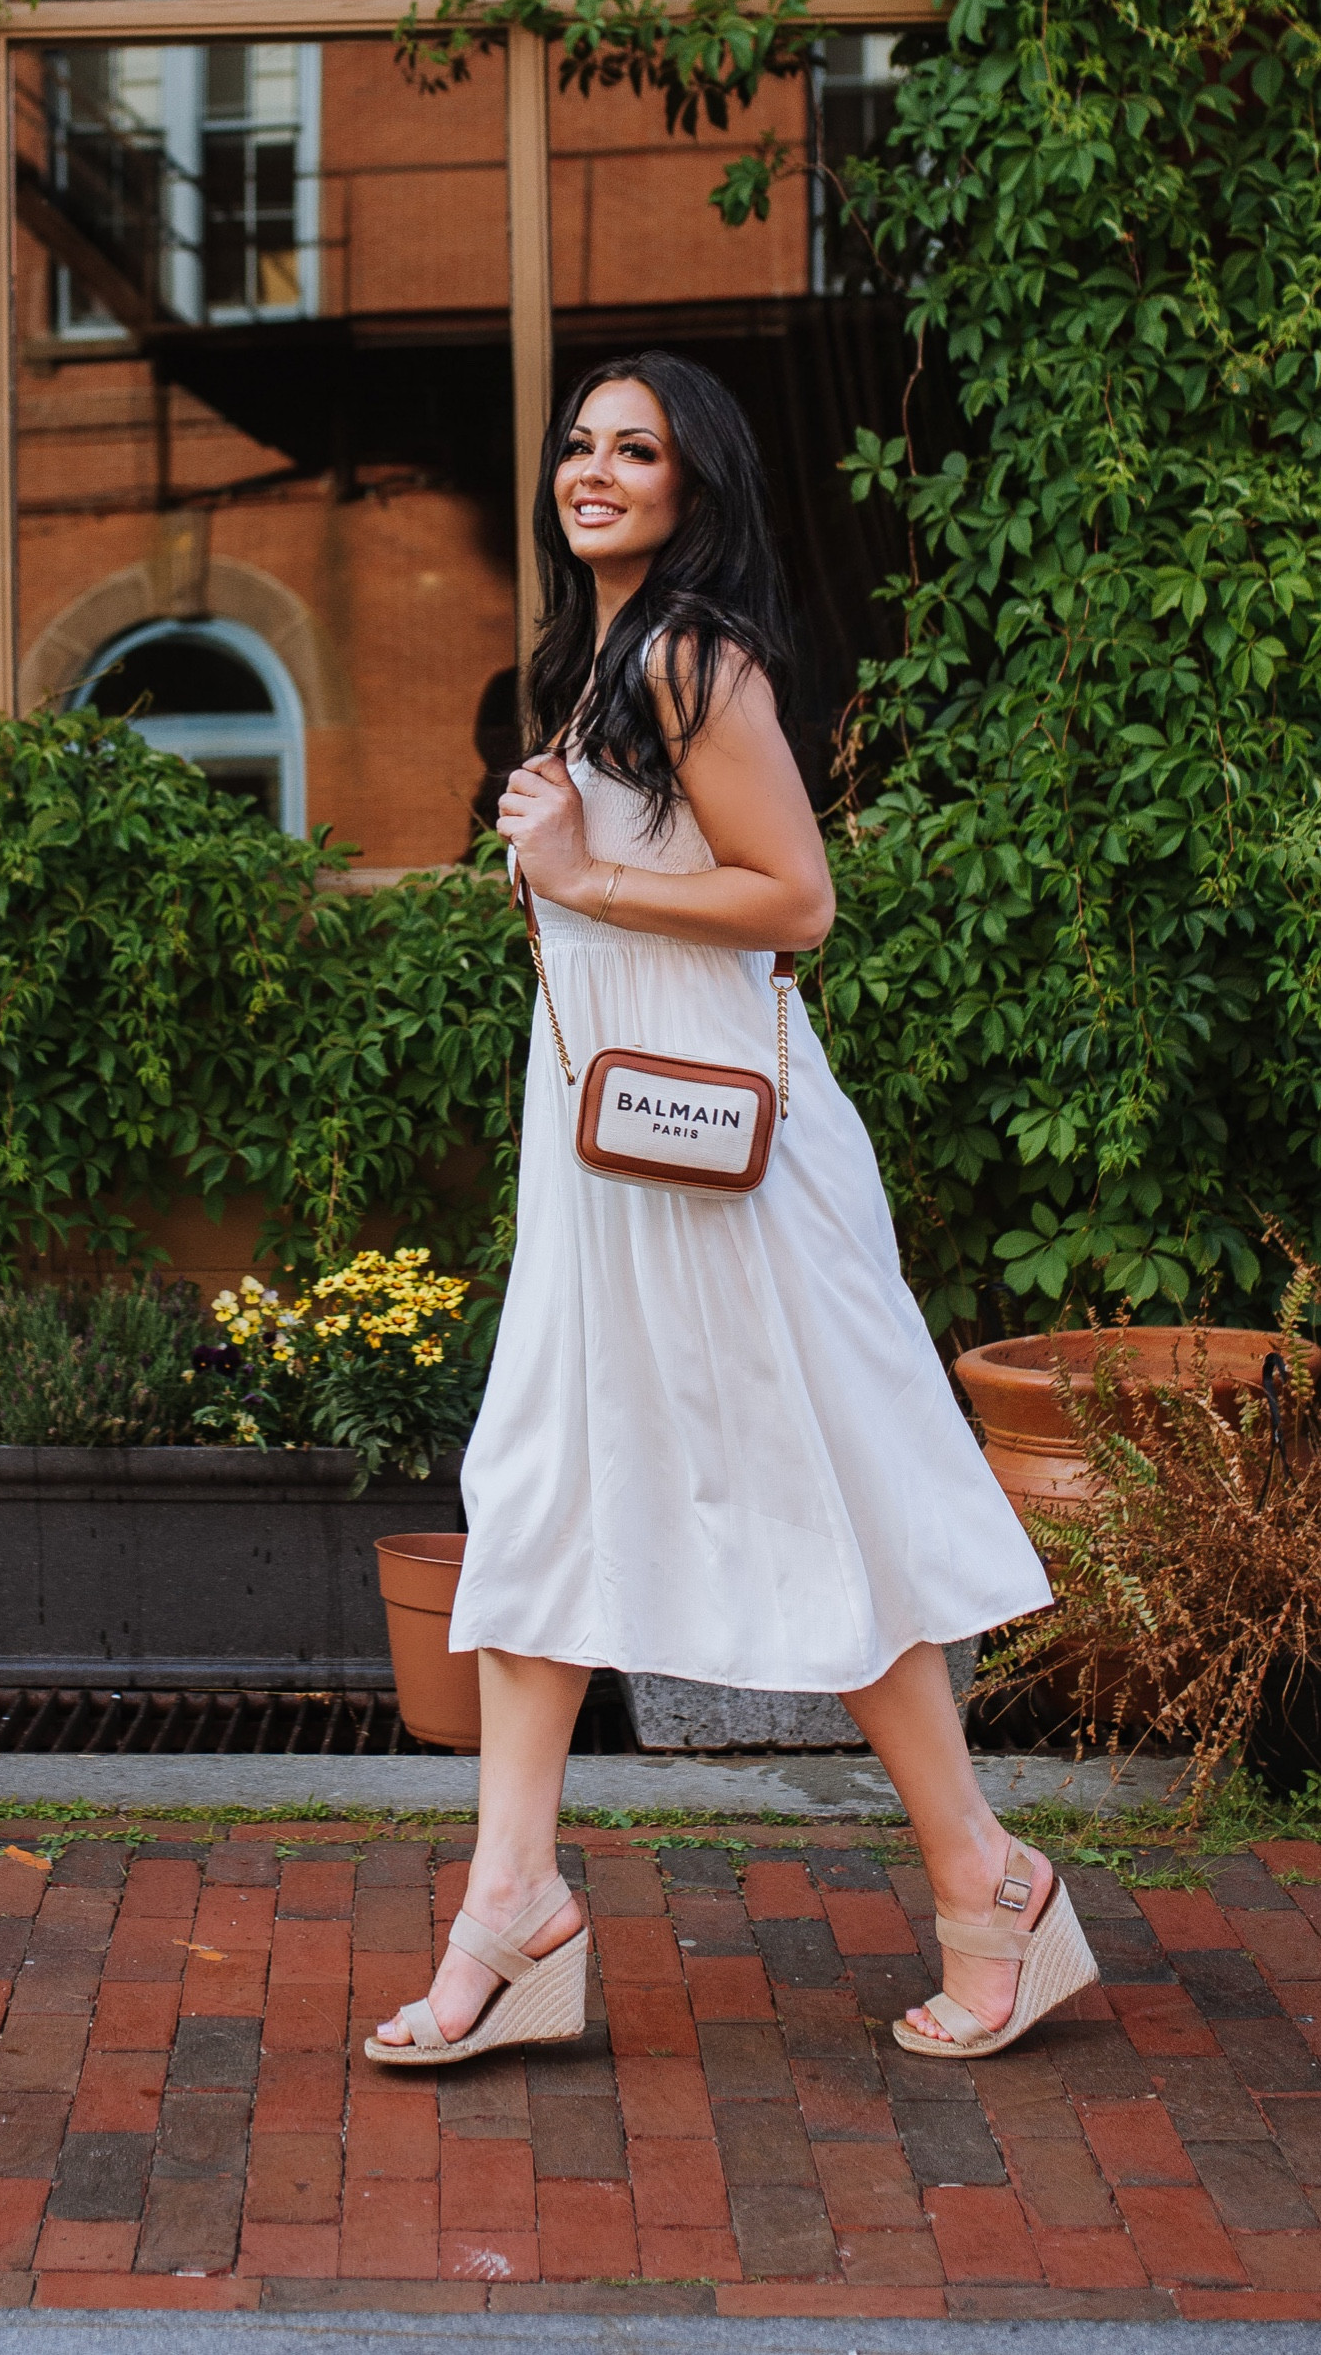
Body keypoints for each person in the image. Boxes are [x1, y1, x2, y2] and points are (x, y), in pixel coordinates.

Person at [368, 352, 1096, 2069]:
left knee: (817, 1494)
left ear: (696, 484)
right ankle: (512, 1902)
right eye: (577, 446)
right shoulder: (602, 663)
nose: (594, 471)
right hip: (613, 1154)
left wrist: (577, 871)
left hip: (721, 1154)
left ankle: (986, 1880)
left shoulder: (691, 656)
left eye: (637, 450)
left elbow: (798, 900)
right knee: (541, 1485)